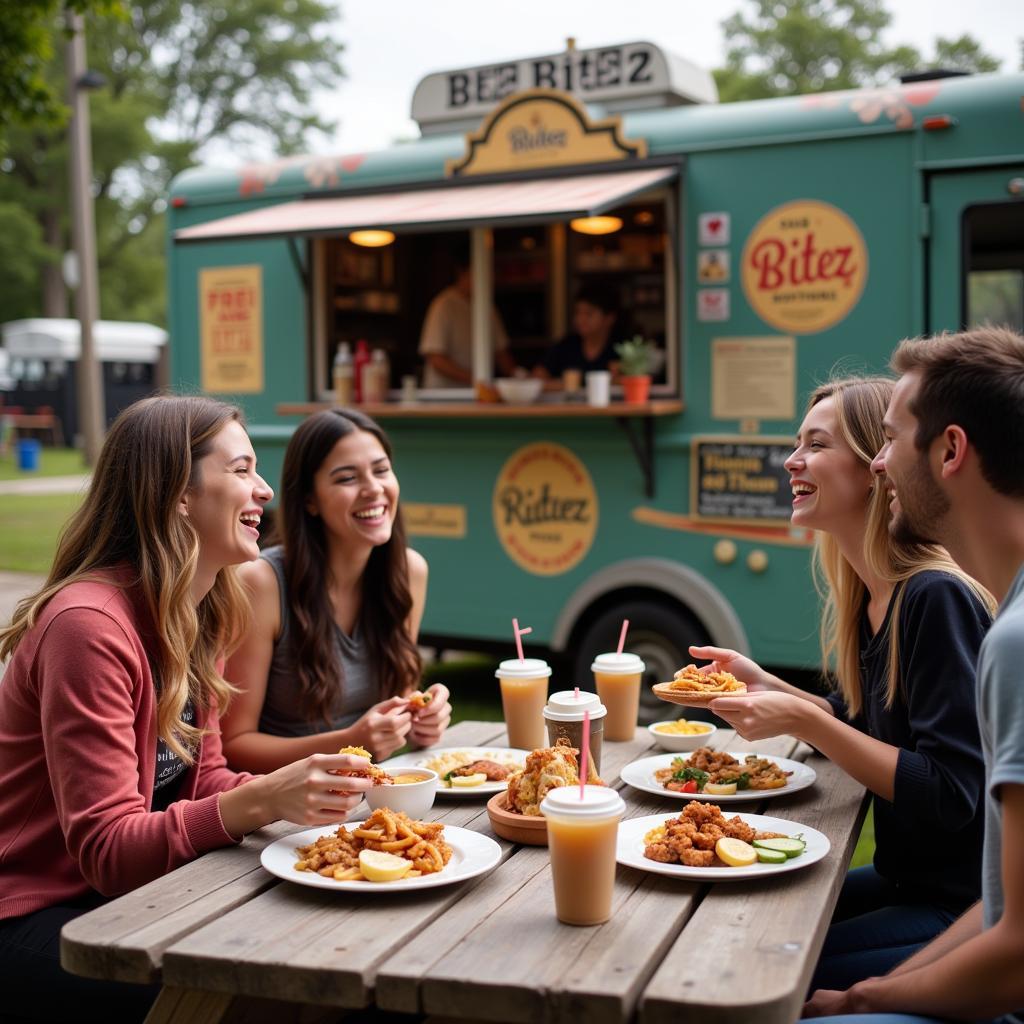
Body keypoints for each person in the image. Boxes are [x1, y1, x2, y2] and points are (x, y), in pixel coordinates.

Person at [0, 396, 378, 1023]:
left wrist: (310, 800)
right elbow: (108, 851)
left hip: (130, 897)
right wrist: (260, 800)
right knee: (272, 993)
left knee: (336, 951)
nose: (262, 490)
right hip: (35, 914)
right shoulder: (88, 626)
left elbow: (202, 783)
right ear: (178, 494)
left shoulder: (200, 610)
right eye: (239, 470)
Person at [688, 376, 993, 994]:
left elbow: (951, 792)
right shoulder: (870, 596)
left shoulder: (935, 597)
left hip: (961, 911)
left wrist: (806, 722)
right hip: (904, 882)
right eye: (796, 443)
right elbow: (868, 725)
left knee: (748, 975)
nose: (791, 461)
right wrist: (769, 685)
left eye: (816, 444)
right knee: (723, 923)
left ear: (875, 465)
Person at [802, 327, 1024, 1023]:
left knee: (760, 980)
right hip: (960, 916)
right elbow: (1005, 905)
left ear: (951, 450)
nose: (877, 465)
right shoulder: (1006, 618)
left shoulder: (1002, 633)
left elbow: (1014, 944)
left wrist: (863, 998)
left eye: (891, 440)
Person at [221, 408, 451, 772]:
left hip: (374, 793)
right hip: (281, 809)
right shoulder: (260, 583)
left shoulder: (410, 572)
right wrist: (350, 741)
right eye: (347, 478)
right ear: (309, 500)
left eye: (381, 470)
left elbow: (400, 700)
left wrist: (421, 718)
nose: (373, 489)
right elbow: (232, 745)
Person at [418, 241, 516, 388]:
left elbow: (501, 352)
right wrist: (476, 380)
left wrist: (520, 379)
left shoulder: (486, 307)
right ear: (462, 272)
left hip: (476, 395)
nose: (488, 277)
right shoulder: (444, 305)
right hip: (443, 397)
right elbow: (435, 358)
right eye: (481, 271)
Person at [533, 285, 622, 382]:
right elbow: (538, 377)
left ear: (609, 318)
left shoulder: (622, 349)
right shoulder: (566, 345)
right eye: (577, 312)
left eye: (588, 313)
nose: (580, 320)